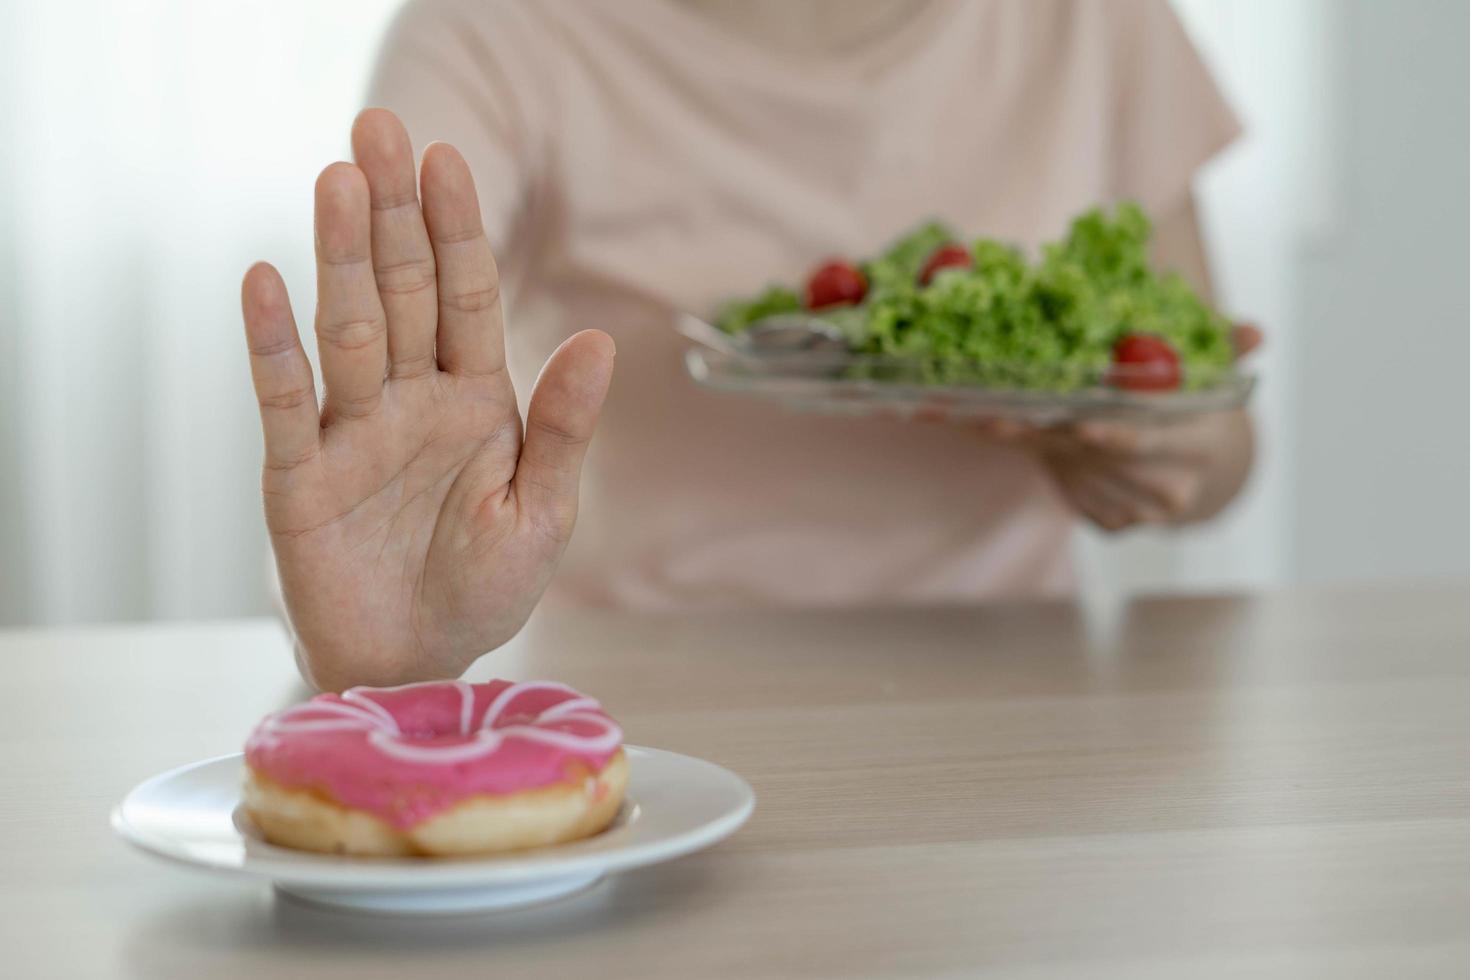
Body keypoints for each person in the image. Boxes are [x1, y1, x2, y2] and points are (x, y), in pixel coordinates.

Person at [240, 0, 1256, 691]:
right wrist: (379, 665)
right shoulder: (496, 28)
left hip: (1022, 696)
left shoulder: (1095, 22)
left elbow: (1219, 445)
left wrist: (1171, 453)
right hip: (642, 706)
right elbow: (402, 351)